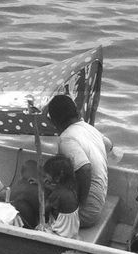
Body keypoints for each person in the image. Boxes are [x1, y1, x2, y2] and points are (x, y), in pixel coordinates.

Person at [45, 93, 108, 230]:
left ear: (55, 121)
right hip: (100, 201)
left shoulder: (66, 138)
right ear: (76, 112)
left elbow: (85, 168)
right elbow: (109, 145)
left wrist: (81, 203)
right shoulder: (90, 129)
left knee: (41, 196)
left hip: (87, 213)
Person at [41, 154, 80, 239]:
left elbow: (43, 211)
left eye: (46, 175)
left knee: (38, 230)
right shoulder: (70, 188)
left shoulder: (56, 195)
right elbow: (57, 189)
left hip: (62, 235)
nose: (45, 177)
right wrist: (43, 184)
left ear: (58, 177)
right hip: (72, 232)